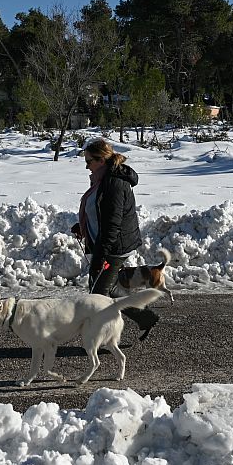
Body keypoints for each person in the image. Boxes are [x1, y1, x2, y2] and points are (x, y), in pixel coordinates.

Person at [72, 138, 160, 341]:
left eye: (89, 161)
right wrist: (84, 226)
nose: (86, 166)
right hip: (105, 243)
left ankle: (101, 339)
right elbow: (100, 212)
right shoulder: (102, 179)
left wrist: (101, 256)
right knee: (108, 291)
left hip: (113, 246)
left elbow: (113, 224)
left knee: (99, 296)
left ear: (101, 160)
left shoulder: (114, 183)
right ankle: (145, 318)